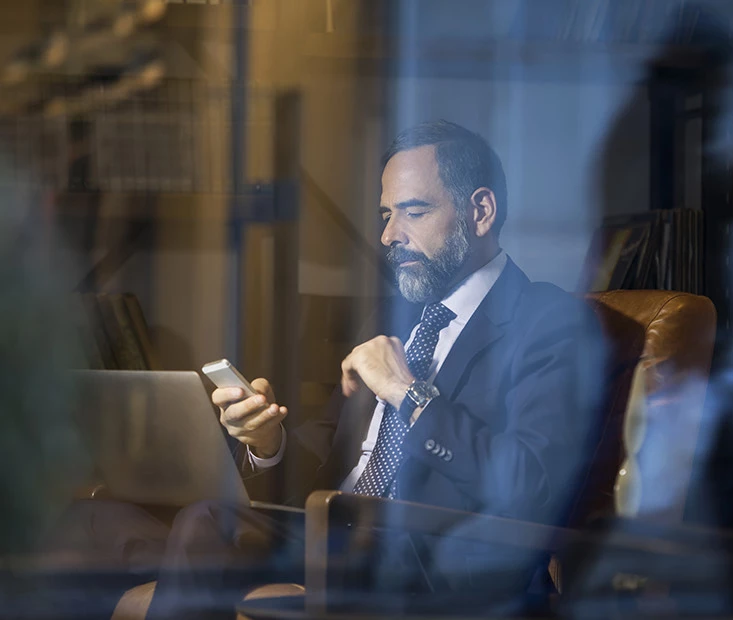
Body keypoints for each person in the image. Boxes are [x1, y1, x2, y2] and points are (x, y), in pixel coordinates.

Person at [55, 120, 606, 619]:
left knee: (205, 523)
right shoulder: (396, 319)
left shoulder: (548, 321)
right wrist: (269, 442)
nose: (390, 235)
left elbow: (531, 483)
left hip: (424, 561)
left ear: (480, 212)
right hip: (326, 535)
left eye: (414, 212)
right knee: (90, 520)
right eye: (386, 215)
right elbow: (332, 455)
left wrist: (407, 392)